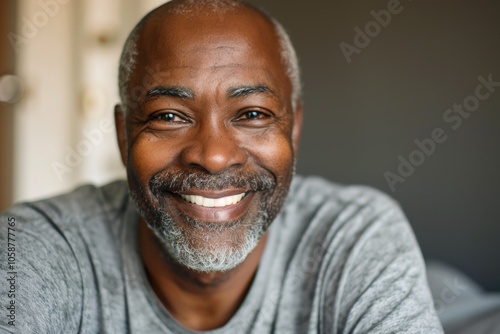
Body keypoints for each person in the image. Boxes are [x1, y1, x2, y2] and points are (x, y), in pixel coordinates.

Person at [0, 0, 444, 333]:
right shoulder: (35, 244)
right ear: (123, 135)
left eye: (252, 114)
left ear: (294, 128)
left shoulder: (355, 237)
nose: (213, 156)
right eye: (169, 116)